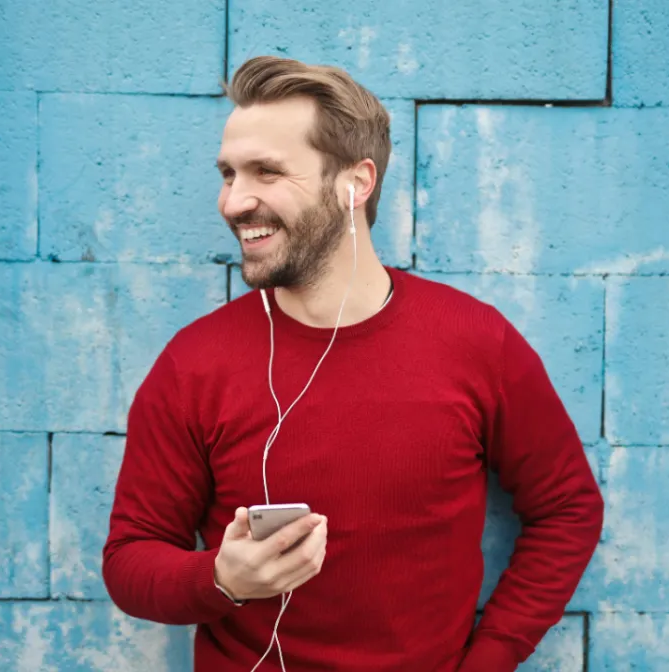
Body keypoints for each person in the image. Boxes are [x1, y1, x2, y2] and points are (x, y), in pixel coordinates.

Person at [102, 55, 604, 672]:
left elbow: (567, 509)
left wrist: (491, 658)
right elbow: (130, 558)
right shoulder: (193, 365)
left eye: (266, 172)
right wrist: (221, 578)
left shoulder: (475, 342)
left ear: (355, 183)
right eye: (229, 174)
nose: (234, 202)